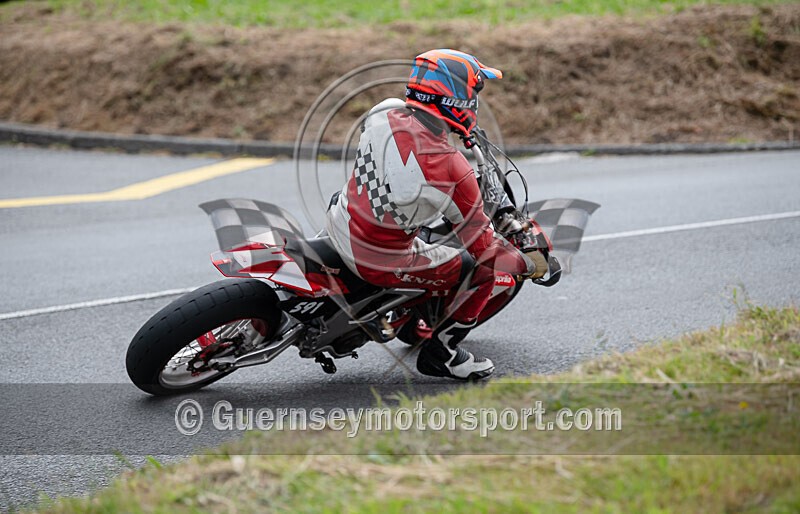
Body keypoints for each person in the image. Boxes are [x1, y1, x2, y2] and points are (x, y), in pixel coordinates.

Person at [326, 49, 547, 380]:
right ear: (454, 95)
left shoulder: (383, 111)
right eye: (472, 93)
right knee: (480, 270)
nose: (474, 101)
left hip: (341, 218)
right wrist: (532, 265)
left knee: (402, 220)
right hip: (377, 256)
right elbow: (484, 249)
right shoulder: (452, 169)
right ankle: (442, 355)